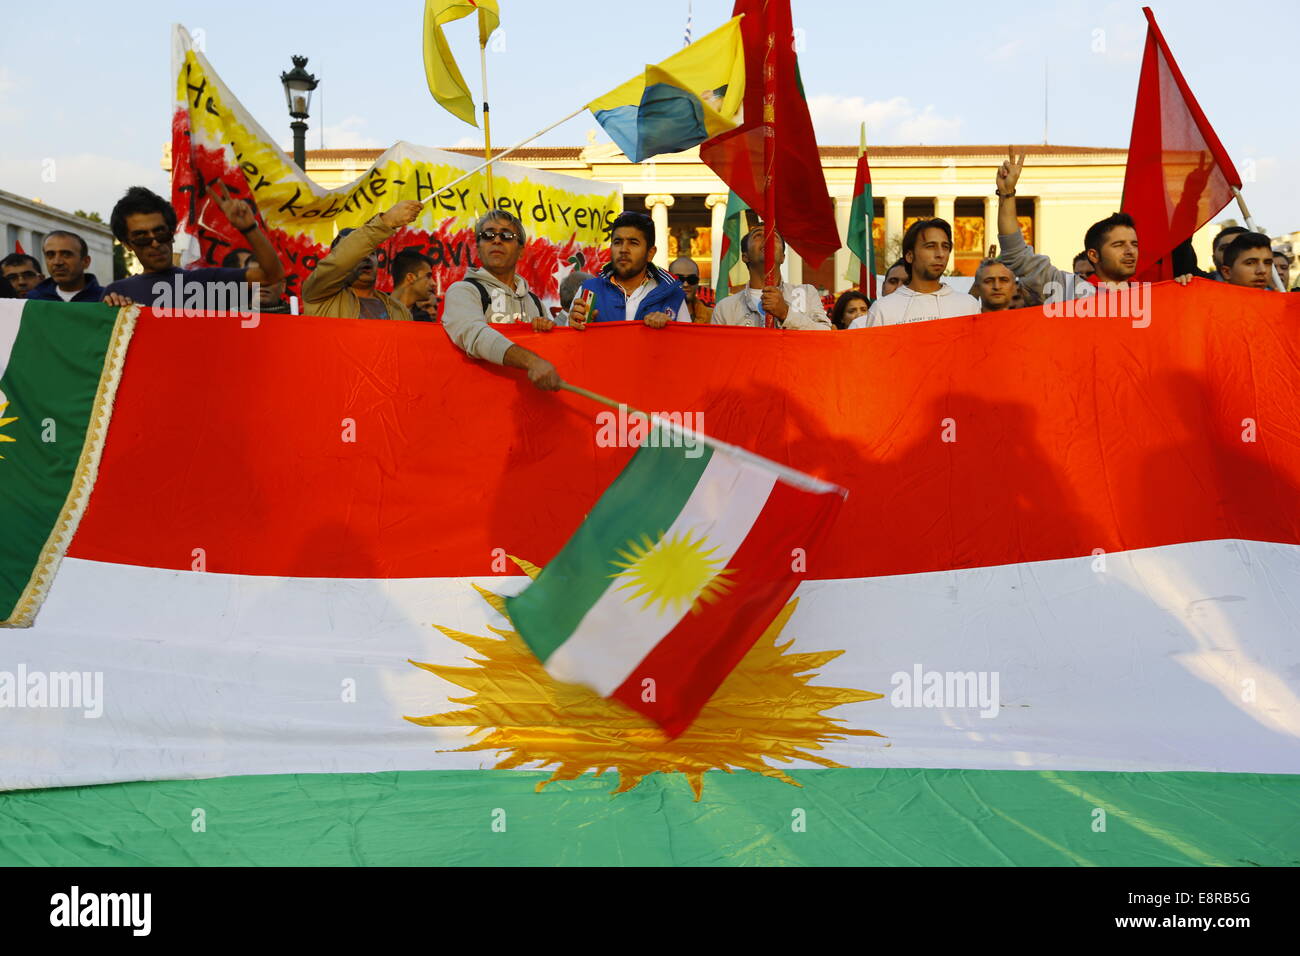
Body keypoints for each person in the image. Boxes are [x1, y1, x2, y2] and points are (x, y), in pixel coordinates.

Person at [995, 148, 1190, 302]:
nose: (1130, 251)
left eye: (1134, 244)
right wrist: (1006, 194)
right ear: (1094, 255)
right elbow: (1017, 254)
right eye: (1119, 245)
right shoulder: (1066, 290)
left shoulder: (1156, 296)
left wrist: (1188, 291)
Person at [102, 185, 284, 308]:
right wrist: (113, 313)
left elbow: (271, 275)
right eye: (142, 237)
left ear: (172, 233)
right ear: (127, 244)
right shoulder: (117, 293)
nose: (155, 243)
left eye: (160, 233)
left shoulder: (207, 282)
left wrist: (249, 228)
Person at [442, 209, 560, 390]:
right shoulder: (463, 291)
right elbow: (475, 335)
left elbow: (552, 356)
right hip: (479, 405)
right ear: (478, 248)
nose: (496, 240)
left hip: (528, 408)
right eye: (488, 235)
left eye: (506, 235)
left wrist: (548, 330)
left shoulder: (535, 303)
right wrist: (531, 361)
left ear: (521, 250)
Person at [301, 200, 422, 320]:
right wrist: (387, 221)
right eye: (357, 255)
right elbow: (339, 261)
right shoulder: (319, 294)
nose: (366, 257)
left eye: (371, 253)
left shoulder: (399, 310)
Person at [850, 219, 978, 328]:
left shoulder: (968, 306)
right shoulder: (882, 310)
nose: (940, 254)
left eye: (945, 246)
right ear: (910, 256)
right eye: (930, 246)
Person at [570, 212, 689, 328]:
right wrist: (574, 327)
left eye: (633, 243)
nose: (623, 249)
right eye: (617, 242)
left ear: (650, 253)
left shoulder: (673, 296)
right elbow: (569, 345)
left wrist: (670, 330)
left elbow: (688, 344)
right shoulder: (588, 291)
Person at [711, 225, 830, 329]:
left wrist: (785, 313)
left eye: (775, 237)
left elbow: (825, 336)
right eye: (758, 235)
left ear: (783, 257)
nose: (767, 238)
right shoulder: (725, 308)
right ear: (745, 256)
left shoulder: (806, 293)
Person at [26, 231, 104, 302]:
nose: (57, 262)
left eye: (66, 255)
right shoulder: (33, 300)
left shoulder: (106, 299)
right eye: (50, 255)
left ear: (86, 261)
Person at [390, 249, 436, 320]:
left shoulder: (423, 320)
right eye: (428, 276)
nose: (434, 283)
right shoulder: (375, 310)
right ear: (410, 277)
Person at [669, 255, 710, 323]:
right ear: (669, 280)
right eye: (679, 279)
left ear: (698, 281)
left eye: (692, 279)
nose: (685, 284)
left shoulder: (711, 316)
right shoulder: (656, 313)